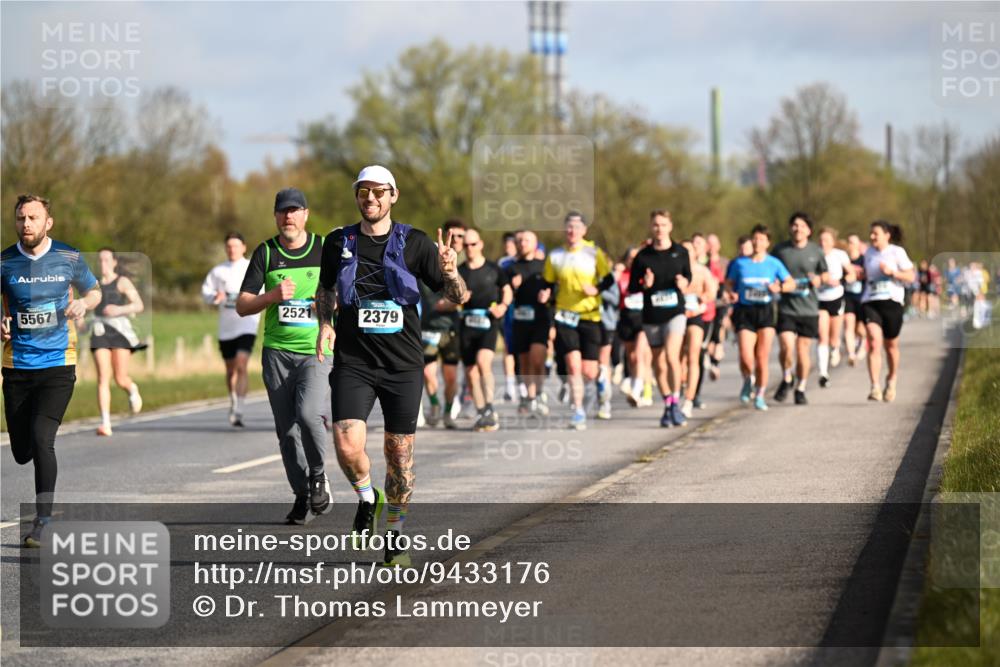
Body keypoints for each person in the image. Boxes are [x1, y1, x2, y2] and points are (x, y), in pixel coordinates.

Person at [315, 165, 467, 567]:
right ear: (357, 197)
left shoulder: (415, 243)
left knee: (399, 456)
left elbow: (458, 296)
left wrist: (452, 271)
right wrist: (326, 325)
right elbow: (326, 287)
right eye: (364, 192)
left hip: (403, 364)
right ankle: (367, 498)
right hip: (354, 361)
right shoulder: (337, 242)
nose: (371, 199)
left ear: (393, 196)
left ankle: (396, 534)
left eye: (379, 192)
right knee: (347, 444)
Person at [2, 194, 102, 547]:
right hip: (16, 366)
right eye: (20, 218)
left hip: (58, 364)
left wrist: (82, 303)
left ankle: (41, 522)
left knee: (44, 439)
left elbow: (95, 292)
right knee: (21, 450)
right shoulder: (4, 262)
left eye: (32, 217)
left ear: (48, 223)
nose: (26, 223)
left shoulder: (69, 257)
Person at [237, 188, 332, 525]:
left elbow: (342, 294)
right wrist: (272, 296)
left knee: (308, 415)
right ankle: (302, 494)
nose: (288, 217)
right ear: (275, 216)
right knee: (287, 432)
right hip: (277, 352)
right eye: (282, 212)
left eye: (294, 211)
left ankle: (319, 475)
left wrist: (322, 311)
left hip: (315, 350)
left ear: (305, 214)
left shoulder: (324, 249)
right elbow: (242, 304)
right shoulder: (266, 252)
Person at [541, 212, 614, 431]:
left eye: (576, 227)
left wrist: (596, 289)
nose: (572, 231)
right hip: (565, 316)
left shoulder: (594, 253)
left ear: (584, 230)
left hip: (590, 316)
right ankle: (578, 411)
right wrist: (546, 295)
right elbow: (548, 283)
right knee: (573, 365)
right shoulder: (555, 256)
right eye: (568, 227)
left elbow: (609, 279)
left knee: (589, 371)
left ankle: (601, 379)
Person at [628, 210, 692, 428]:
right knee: (658, 363)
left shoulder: (681, 252)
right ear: (651, 227)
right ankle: (669, 403)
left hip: (675, 312)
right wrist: (644, 284)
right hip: (652, 315)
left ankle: (675, 399)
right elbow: (631, 287)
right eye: (655, 225)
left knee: (672, 356)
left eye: (663, 225)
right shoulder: (643, 256)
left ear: (670, 226)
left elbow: (688, 277)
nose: (659, 229)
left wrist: (684, 283)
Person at [725, 224, 794, 411]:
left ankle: (761, 394)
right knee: (746, 357)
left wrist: (779, 288)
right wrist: (731, 293)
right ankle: (749, 379)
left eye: (761, 239)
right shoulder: (740, 263)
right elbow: (729, 283)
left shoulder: (773, 263)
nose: (757, 242)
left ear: (767, 243)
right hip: (745, 312)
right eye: (755, 239)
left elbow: (790, 283)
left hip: (766, 311)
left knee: (762, 357)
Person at [201, 232, 260, 427]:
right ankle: (233, 399)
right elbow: (206, 292)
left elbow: (263, 291)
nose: (232, 250)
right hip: (226, 328)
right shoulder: (218, 271)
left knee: (241, 364)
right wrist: (214, 297)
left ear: (243, 247)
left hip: (247, 324)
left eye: (235, 246)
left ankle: (240, 409)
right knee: (230, 369)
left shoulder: (251, 266)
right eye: (229, 247)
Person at [457, 228, 512, 432]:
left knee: (483, 362)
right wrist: (459, 298)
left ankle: (489, 406)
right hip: (466, 323)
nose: (469, 248)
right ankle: (482, 412)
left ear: (480, 244)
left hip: (488, 322)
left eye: (473, 244)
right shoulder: (460, 271)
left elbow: (507, 291)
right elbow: (450, 296)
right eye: (466, 245)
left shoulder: (494, 269)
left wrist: (503, 307)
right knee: (470, 372)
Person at [772, 212, 828, 406]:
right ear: (790, 228)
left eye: (802, 226)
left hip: (809, 309)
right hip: (787, 308)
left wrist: (819, 280)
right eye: (795, 225)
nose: (798, 229)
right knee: (786, 347)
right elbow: (770, 270)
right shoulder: (780, 250)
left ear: (809, 230)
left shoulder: (816, 251)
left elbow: (826, 275)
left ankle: (801, 387)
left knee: (803, 351)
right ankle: (787, 377)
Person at [87, 247, 145, 436]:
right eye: (100, 260)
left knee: (120, 378)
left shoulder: (122, 282)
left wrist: (118, 310)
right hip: (99, 331)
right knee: (103, 377)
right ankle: (105, 423)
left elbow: (138, 305)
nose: (102, 263)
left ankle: (132, 388)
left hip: (119, 330)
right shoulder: (92, 283)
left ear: (114, 262)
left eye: (106, 260)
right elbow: (85, 305)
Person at [858, 221, 915, 402]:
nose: (872, 237)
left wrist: (892, 273)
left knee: (891, 347)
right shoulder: (868, 253)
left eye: (876, 233)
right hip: (871, 301)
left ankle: (891, 379)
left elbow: (911, 276)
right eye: (871, 233)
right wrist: (859, 275)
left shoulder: (897, 252)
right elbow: (866, 274)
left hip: (892, 302)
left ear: (887, 235)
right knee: (874, 341)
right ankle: (874, 387)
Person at [506, 229, 551, 416]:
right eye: (519, 240)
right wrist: (512, 287)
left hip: (540, 318)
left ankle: (539, 393)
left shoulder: (545, 266)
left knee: (537, 357)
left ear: (535, 243)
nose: (523, 243)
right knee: (523, 360)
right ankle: (530, 396)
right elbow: (504, 293)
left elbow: (555, 288)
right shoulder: (510, 268)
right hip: (520, 320)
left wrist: (549, 295)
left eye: (527, 240)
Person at [679, 238, 718, 417]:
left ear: (695, 253)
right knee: (678, 358)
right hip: (677, 316)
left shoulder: (702, 271)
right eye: (683, 251)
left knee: (694, 355)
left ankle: (689, 399)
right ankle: (680, 385)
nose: (687, 254)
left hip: (696, 316)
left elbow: (711, 292)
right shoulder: (675, 271)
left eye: (690, 251)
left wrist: (702, 299)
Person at [816, 228, 855, 388]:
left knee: (833, 337)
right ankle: (823, 373)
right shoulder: (815, 254)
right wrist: (819, 279)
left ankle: (835, 348)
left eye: (826, 240)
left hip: (836, 298)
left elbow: (852, 274)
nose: (823, 243)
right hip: (819, 299)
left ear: (833, 241)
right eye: (821, 240)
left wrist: (841, 281)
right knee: (822, 336)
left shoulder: (840, 255)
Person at [617, 247, 653, 407]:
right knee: (632, 358)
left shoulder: (646, 276)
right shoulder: (621, 277)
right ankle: (644, 387)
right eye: (629, 258)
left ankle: (638, 390)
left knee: (640, 355)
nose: (632, 260)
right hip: (626, 319)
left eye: (635, 258)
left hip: (644, 319)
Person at [497, 232, 520, 403]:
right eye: (506, 244)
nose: (508, 247)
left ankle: (525, 384)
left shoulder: (530, 260)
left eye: (511, 243)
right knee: (508, 347)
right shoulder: (502, 263)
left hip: (526, 311)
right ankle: (510, 385)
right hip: (509, 311)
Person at [843, 233, 867, 366]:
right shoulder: (844, 259)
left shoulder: (864, 259)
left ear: (858, 244)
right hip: (848, 296)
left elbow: (868, 274)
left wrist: (858, 274)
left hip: (862, 296)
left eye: (853, 242)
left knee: (860, 329)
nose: (850, 245)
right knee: (848, 324)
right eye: (849, 242)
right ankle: (851, 354)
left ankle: (862, 344)